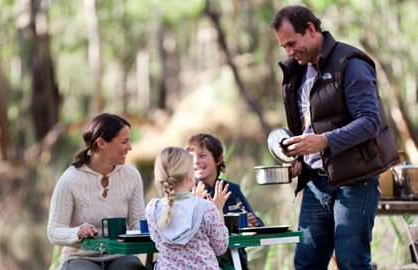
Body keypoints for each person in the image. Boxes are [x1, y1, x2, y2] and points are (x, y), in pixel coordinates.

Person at [270, 5, 400, 270]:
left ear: (311, 29)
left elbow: (370, 122)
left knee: (352, 264)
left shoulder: (350, 63)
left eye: (292, 43)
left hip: (356, 182)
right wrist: (300, 159)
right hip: (316, 185)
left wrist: (324, 141)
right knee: (306, 265)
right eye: (284, 47)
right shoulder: (296, 71)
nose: (289, 52)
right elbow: (308, 128)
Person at [47, 113, 146, 270]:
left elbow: (137, 224)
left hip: (119, 256)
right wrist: (77, 232)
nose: (130, 147)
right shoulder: (70, 180)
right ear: (101, 143)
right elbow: (53, 231)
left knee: (133, 268)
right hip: (80, 257)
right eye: (124, 142)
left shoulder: (131, 176)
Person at [185, 133, 264, 269]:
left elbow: (259, 225)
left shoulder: (232, 190)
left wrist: (254, 223)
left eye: (202, 155)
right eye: (191, 157)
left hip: (234, 260)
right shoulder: (186, 193)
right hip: (198, 261)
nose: (196, 161)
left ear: (219, 159)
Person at [146, 146, 231, 270]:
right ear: (190, 176)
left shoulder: (152, 208)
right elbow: (220, 247)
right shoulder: (206, 207)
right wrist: (218, 209)